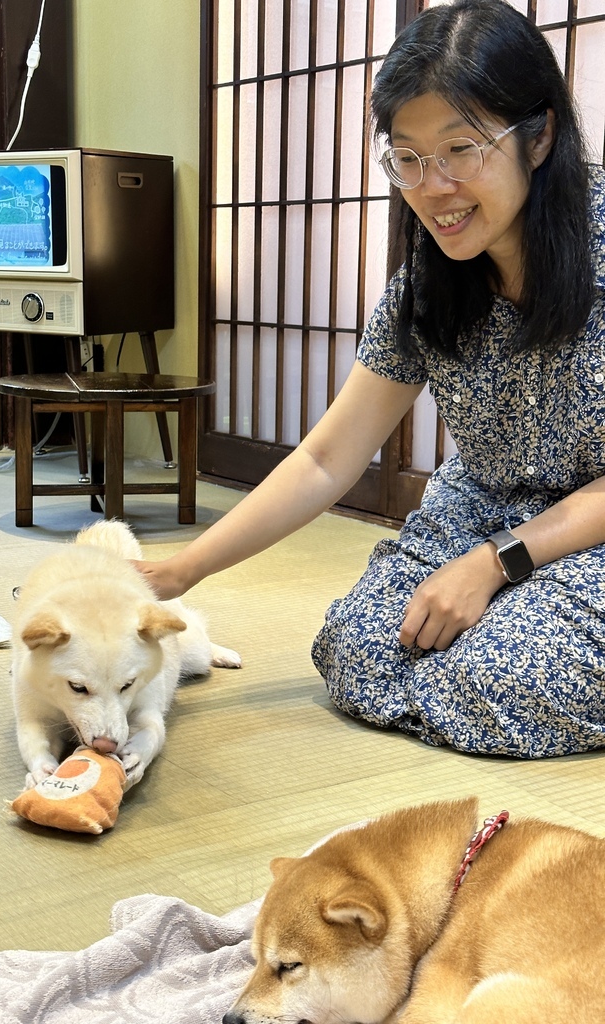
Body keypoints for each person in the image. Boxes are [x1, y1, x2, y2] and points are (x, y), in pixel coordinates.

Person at [136, 0, 605, 759]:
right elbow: (327, 458)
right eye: (407, 158)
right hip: (480, 511)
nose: (433, 186)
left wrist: (496, 566)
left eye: (462, 148)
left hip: (588, 527)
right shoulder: (431, 282)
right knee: (352, 650)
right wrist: (181, 570)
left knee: (504, 674)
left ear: (540, 133)